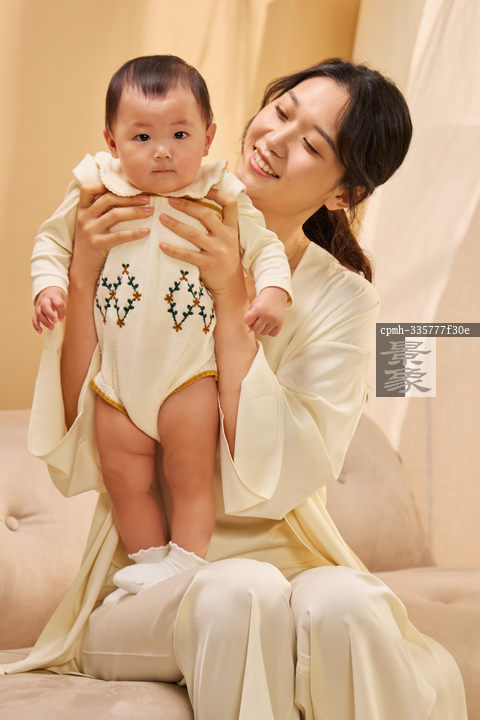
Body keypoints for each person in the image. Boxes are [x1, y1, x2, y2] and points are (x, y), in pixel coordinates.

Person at [1, 59, 467, 720]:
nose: (274, 139)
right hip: (142, 583)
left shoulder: (343, 300)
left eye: (311, 145)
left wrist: (229, 300)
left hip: (290, 564)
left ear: (344, 193)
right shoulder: (138, 218)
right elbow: (79, 433)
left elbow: (281, 478)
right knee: (240, 591)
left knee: (352, 603)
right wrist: (79, 279)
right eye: (282, 110)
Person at [30, 55, 292, 600]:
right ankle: (150, 563)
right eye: (142, 136)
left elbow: (265, 247)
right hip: (115, 380)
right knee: (123, 478)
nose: (163, 150)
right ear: (112, 141)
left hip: (187, 375)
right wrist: (48, 287)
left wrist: (272, 291)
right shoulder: (96, 187)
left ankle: (185, 562)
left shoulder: (220, 194)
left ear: (208, 136)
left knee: (189, 474)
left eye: (180, 133)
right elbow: (52, 242)